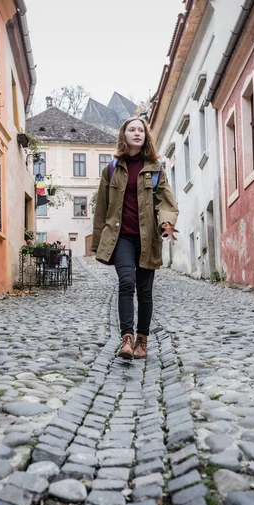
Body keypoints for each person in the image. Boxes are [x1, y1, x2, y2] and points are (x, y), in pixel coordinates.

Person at [92, 117, 179, 360]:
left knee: (145, 291)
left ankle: (142, 340)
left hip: (148, 236)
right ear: (124, 135)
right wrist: (98, 241)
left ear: (146, 136)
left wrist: (166, 221)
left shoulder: (156, 168)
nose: (137, 133)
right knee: (127, 282)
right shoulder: (111, 170)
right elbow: (101, 208)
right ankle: (126, 339)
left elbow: (167, 201)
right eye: (132, 130)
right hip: (121, 237)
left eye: (141, 130)